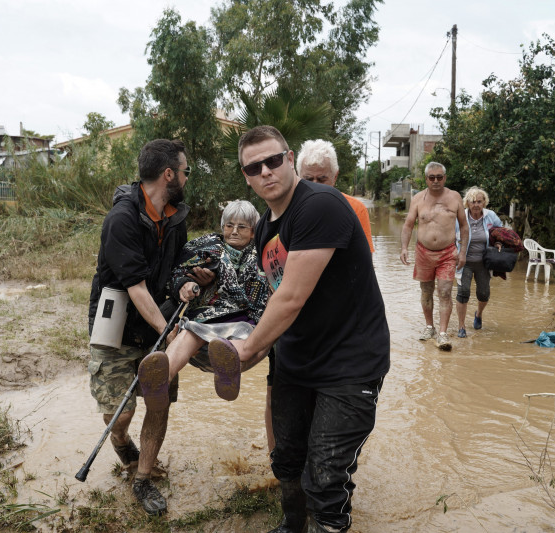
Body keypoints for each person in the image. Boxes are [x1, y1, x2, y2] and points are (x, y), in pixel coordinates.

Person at [206, 126, 390, 533]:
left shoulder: (320, 204)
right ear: (246, 177)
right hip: (297, 361)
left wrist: (246, 351)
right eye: (255, 167)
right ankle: (292, 526)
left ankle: (328, 524)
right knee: (287, 458)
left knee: (325, 473)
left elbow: (290, 298)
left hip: (350, 365)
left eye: (274, 160)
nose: (267, 171)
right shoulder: (267, 229)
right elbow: (274, 301)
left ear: (290, 160)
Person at [87, 139, 212, 516]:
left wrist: (194, 278)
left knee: (158, 400)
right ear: (169, 174)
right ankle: (124, 444)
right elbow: (135, 286)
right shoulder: (121, 219)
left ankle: (142, 478)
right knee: (120, 414)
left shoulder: (176, 217)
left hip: (161, 318)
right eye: (186, 170)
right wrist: (169, 330)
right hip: (117, 326)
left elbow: (173, 271)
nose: (188, 177)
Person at [136, 200, 271, 408]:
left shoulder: (264, 254)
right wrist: (186, 284)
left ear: (253, 231)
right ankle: (162, 378)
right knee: (189, 332)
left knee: (235, 342)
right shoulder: (208, 247)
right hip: (207, 317)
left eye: (242, 226)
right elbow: (178, 272)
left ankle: (226, 375)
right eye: (229, 225)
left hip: (245, 321)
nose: (234, 231)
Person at [400, 161, 468, 350]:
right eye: (432, 177)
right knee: (426, 291)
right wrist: (404, 248)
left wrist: (462, 252)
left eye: (439, 177)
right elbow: (407, 225)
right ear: (426, 179)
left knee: (445, 292)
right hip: (423, 252)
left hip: (448, 253)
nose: (436, 181)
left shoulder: (454, 197)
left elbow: (464, 226)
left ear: (445, 178)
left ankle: (443, 333)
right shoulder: (418, 199)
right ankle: (429, 327)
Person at [297, 139, 374, 253]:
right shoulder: (288, 209)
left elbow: (365, 263)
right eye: (308, 179)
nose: (315, 186)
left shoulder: (355, 209)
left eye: (321, 179)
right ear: (298, 177)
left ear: (335, 177)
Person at [454, 187, 503, 338]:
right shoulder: (460, 217)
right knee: (463, 293)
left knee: (484, 294)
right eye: (472, 201)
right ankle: (461, 327)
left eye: (479, 201)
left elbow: (500, 232)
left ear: (484, 203)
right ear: (467, 203)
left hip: (483, 262)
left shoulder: (491, 216)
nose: (476, 204)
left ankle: (478, 314)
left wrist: (498, 242)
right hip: (464, 261)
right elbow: (450, 235)